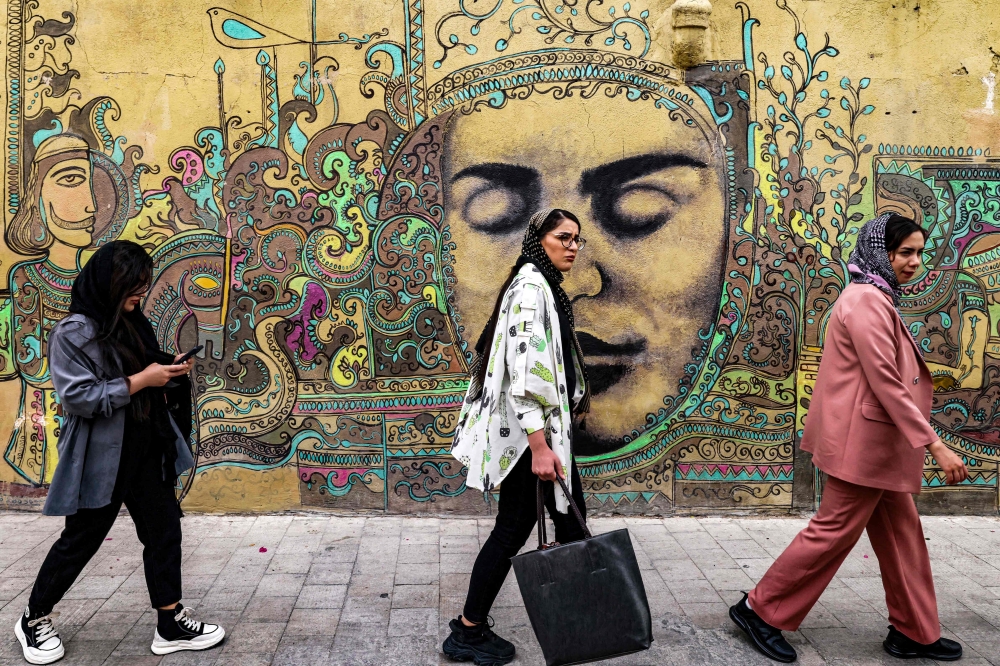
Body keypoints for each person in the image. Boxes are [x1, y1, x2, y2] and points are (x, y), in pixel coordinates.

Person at [728, 213, 968, 663]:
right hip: (864, 445)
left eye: (919, 253)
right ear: (882, 252)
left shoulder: (875, 296)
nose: (915, 262)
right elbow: (885, 380)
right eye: (905, 253)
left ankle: (913, 631)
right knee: (833, 531)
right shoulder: (864, 301)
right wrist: (934, 443)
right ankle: (759, 610)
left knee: (903, 535)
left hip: (878, 445)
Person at [442, 88, 727, 455]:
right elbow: (521, 379)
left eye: (639, 209)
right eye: (496, 213)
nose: (578, 282)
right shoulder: (525, 297)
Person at [13, 241, 225, 665]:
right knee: (82, 540)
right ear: (110, 284)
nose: (141, 294)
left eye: (144, 285)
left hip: (148, 444)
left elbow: (143, 367)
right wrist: (142, 380)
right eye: (134, 286)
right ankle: (33, 619)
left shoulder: (130, 322)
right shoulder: (74, 332)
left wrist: (166, 370)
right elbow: (78, 397)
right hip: (103, 456)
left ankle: (170, 623)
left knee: (164, 531)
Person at [443, 208, 591, 665]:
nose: (572, 247)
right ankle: (469, 632)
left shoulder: (538, 283)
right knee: (520, 531)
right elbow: (523, 375)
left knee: (569, 523)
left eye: (576, 240)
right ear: (539, 239)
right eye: (563, 237)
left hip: (538, 439)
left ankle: (582, 624)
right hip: (531, 443)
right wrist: (540, 447)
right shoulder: (531, 288)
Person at [3, 134, 98, 486]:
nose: (91, 205)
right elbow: (33, 366)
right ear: (38, 195)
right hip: (41, 439)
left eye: (88, 182)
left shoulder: (95, 278)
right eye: (71, 180)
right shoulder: (25, 276)